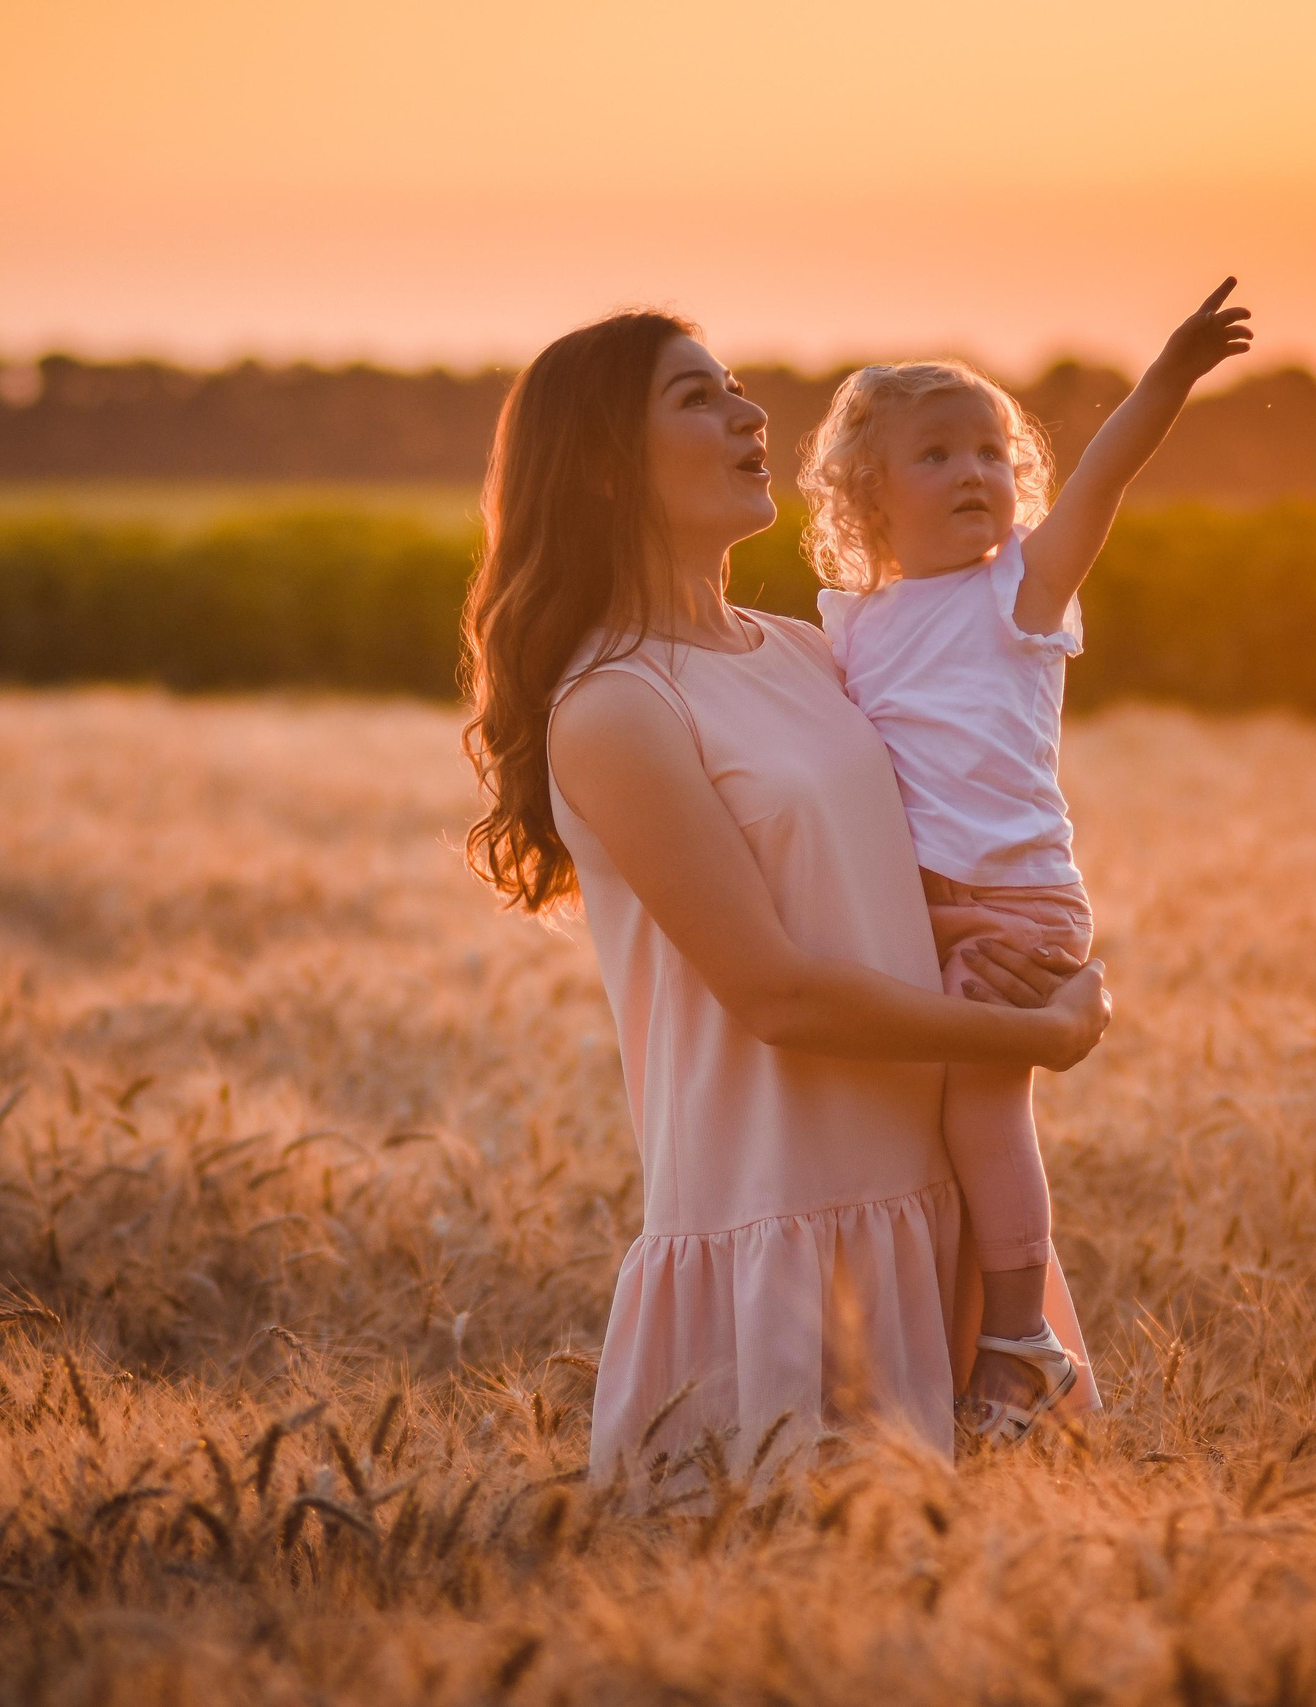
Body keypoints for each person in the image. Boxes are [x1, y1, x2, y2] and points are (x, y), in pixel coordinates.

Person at [459, 311, 1113, 1486]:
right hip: (786, 1232)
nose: (750, 414)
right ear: (607, 463)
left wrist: (1004, 945)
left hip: (927, 1211)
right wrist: (1041, 1035)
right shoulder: (615, 706)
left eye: (738, 389)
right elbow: (776, 992)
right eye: (696, 399)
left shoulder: (807, 654)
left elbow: (866, 892)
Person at [799, 281, 1253, 1440]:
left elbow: (1104, 475)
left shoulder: (1020, 594)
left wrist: (1170, 373)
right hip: (914, 908)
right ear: (862, 496)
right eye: (935, 455)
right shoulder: (854, 623)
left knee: (982, 1107)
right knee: (920, 1125)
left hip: (1015, 904)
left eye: (992, 453)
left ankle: (1020, 1339)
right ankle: (951, 1333)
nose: (973, 474)